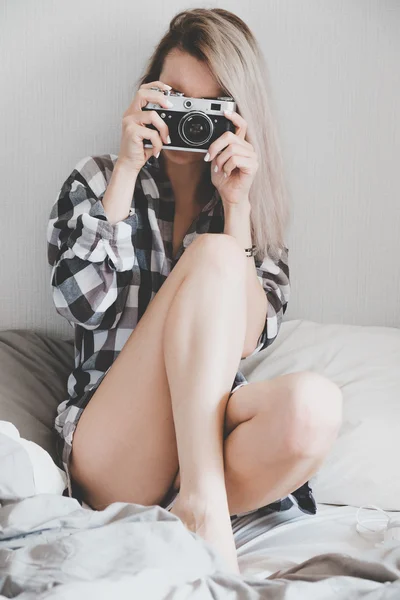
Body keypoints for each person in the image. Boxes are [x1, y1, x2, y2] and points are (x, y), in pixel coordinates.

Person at [46, 8, 343, 575]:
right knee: (212, 254)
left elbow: (246, 342)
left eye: (207, 109)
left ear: (238, 117)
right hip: (114, 449)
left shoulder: (252, 206)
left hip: (202, 437)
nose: (187, 121)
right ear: (146, 94)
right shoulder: (97, 178)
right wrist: (127, 173)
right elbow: (81, 304)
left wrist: (237, 208)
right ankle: (206, 507)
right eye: (174, 99)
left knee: (316, 405)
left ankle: (192, 505)